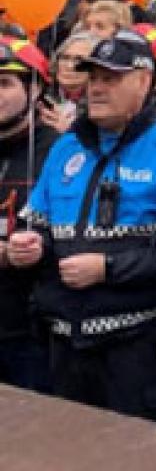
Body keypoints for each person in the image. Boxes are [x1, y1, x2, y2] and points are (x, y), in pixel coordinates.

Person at [6, 31, 156, 427]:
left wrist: (108, 267)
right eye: (93, 78)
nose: (97, 88)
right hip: (66, 343)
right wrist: (30, 246)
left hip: (140, 346)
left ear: (144, 80)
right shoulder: (66, 147)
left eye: (111, 78)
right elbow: (39, 224)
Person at [0, 41, 55, 391]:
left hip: (34, 333)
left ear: (35, 88)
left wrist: (40, 248)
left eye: (4, 83)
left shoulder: (62, 151)